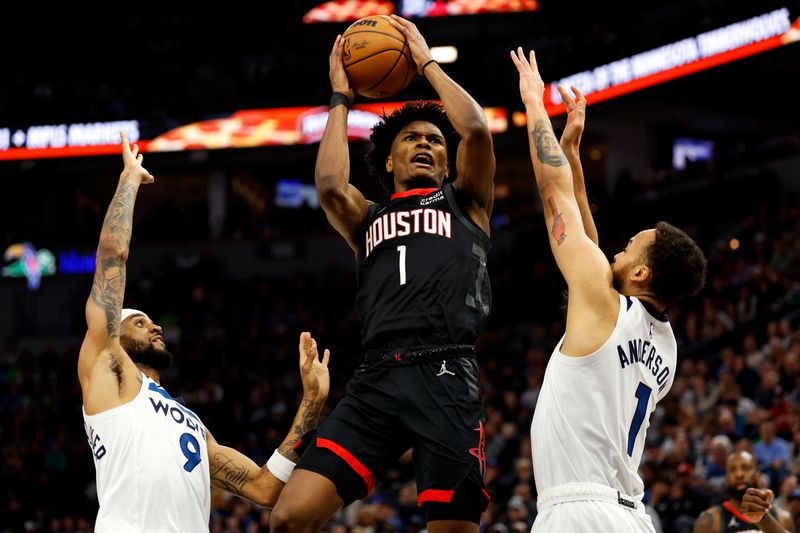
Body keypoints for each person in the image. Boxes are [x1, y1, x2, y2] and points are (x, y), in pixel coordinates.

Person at [271, 14, 495, 533]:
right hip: (376, 378)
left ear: (446, 162)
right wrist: (339, 97)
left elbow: (477, 129)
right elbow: (329, 184)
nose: (425, 144)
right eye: (412, 139)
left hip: (445, 371)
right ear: (389, 161)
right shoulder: (366, 216)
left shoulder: (466, 202)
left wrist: (426, 63)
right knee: (288, 516)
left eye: (436, 141)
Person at [80, 134, 331, 532]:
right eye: (139, 322)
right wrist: (129, 179)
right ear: (117, 339)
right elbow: (113, 256)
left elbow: (264, 488)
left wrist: (312, 402)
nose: (156, 325)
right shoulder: (107, 372)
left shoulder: (191, 424)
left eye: (153, 321)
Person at [509, 47, 708, 532]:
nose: (616, 252)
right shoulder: (667, 347)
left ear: (641, 275)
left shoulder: (603, 305)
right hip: (631, 516)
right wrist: (574, 154)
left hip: (577, 513)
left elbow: (553, 195)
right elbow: (593, 257)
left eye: (629, 248)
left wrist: (534, 103)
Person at [693, 451, 795, 532]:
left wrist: (765, 520)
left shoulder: (783, 518)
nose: (739, 474)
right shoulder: (709, 519)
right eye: (732, 470)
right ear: (726, 479)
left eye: (746, 468)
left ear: (758, 475)